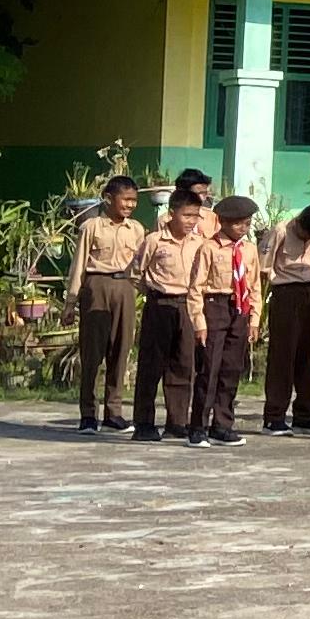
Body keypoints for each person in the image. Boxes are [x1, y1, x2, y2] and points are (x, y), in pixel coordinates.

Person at [128, 187, 215, 443]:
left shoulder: (200, 244)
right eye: (186, 215)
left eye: (195, 216)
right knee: (151, 364)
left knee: (183, 365)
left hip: (189, 306)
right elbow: (135, 273)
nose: (191, 221)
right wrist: (153, 293)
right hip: (160, 305)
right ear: (171, 213)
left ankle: (177, 422)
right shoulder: (154, 241)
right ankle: (144, 423)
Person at [68, 176, 147, 431]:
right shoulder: (92, 227)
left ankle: (114, 412)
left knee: (121, 350)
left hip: (125, 288)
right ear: (109, 198)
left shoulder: (136, 229)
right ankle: (88, 415)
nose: (130, 205)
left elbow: (141, 265)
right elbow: (78, 264)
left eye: (134, 200)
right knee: (92, 352)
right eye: (126, 199)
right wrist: (71, 301)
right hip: (96, 286)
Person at [260, 199, 310, 435]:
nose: (307, 239)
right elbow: (263, 266)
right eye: (305, 234)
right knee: (283, 355)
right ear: (300, 222)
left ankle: (305, 415)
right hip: (285, 292)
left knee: (308, 354)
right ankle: (274, 416)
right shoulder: (281, 231)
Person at [193, 195, 261, 446]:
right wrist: (199, 322)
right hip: (215, 306)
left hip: (239, 308)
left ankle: (222, 425)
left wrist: (254, 319)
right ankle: (198, 426)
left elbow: (255, 285)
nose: (243, 228)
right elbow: (196, 287)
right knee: (209, 369)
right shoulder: (209, 248)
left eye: (247, 223)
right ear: (222, 222)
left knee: (231, 369)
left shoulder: (249, 249)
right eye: (238, 223)